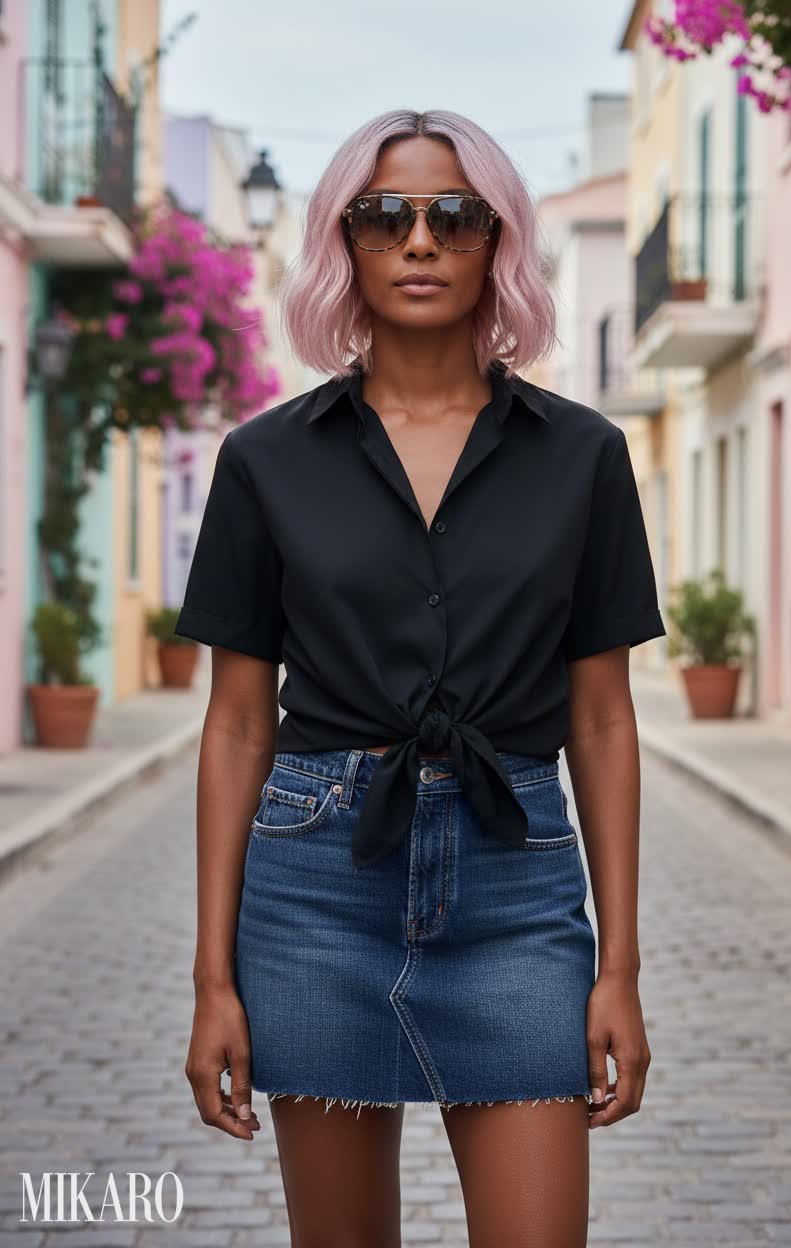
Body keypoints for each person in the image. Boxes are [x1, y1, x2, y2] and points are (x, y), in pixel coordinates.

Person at [176, 108, 664, 1248]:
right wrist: (213, 984)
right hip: (315, 897)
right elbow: (238, 727)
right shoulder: (265, 461)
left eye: (455, 214)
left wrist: (621, 971)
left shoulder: (584, 457)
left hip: (518, 901)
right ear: (341, 241)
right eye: (382, 214)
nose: (419, 240)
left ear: (498, 240)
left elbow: (600, 722)